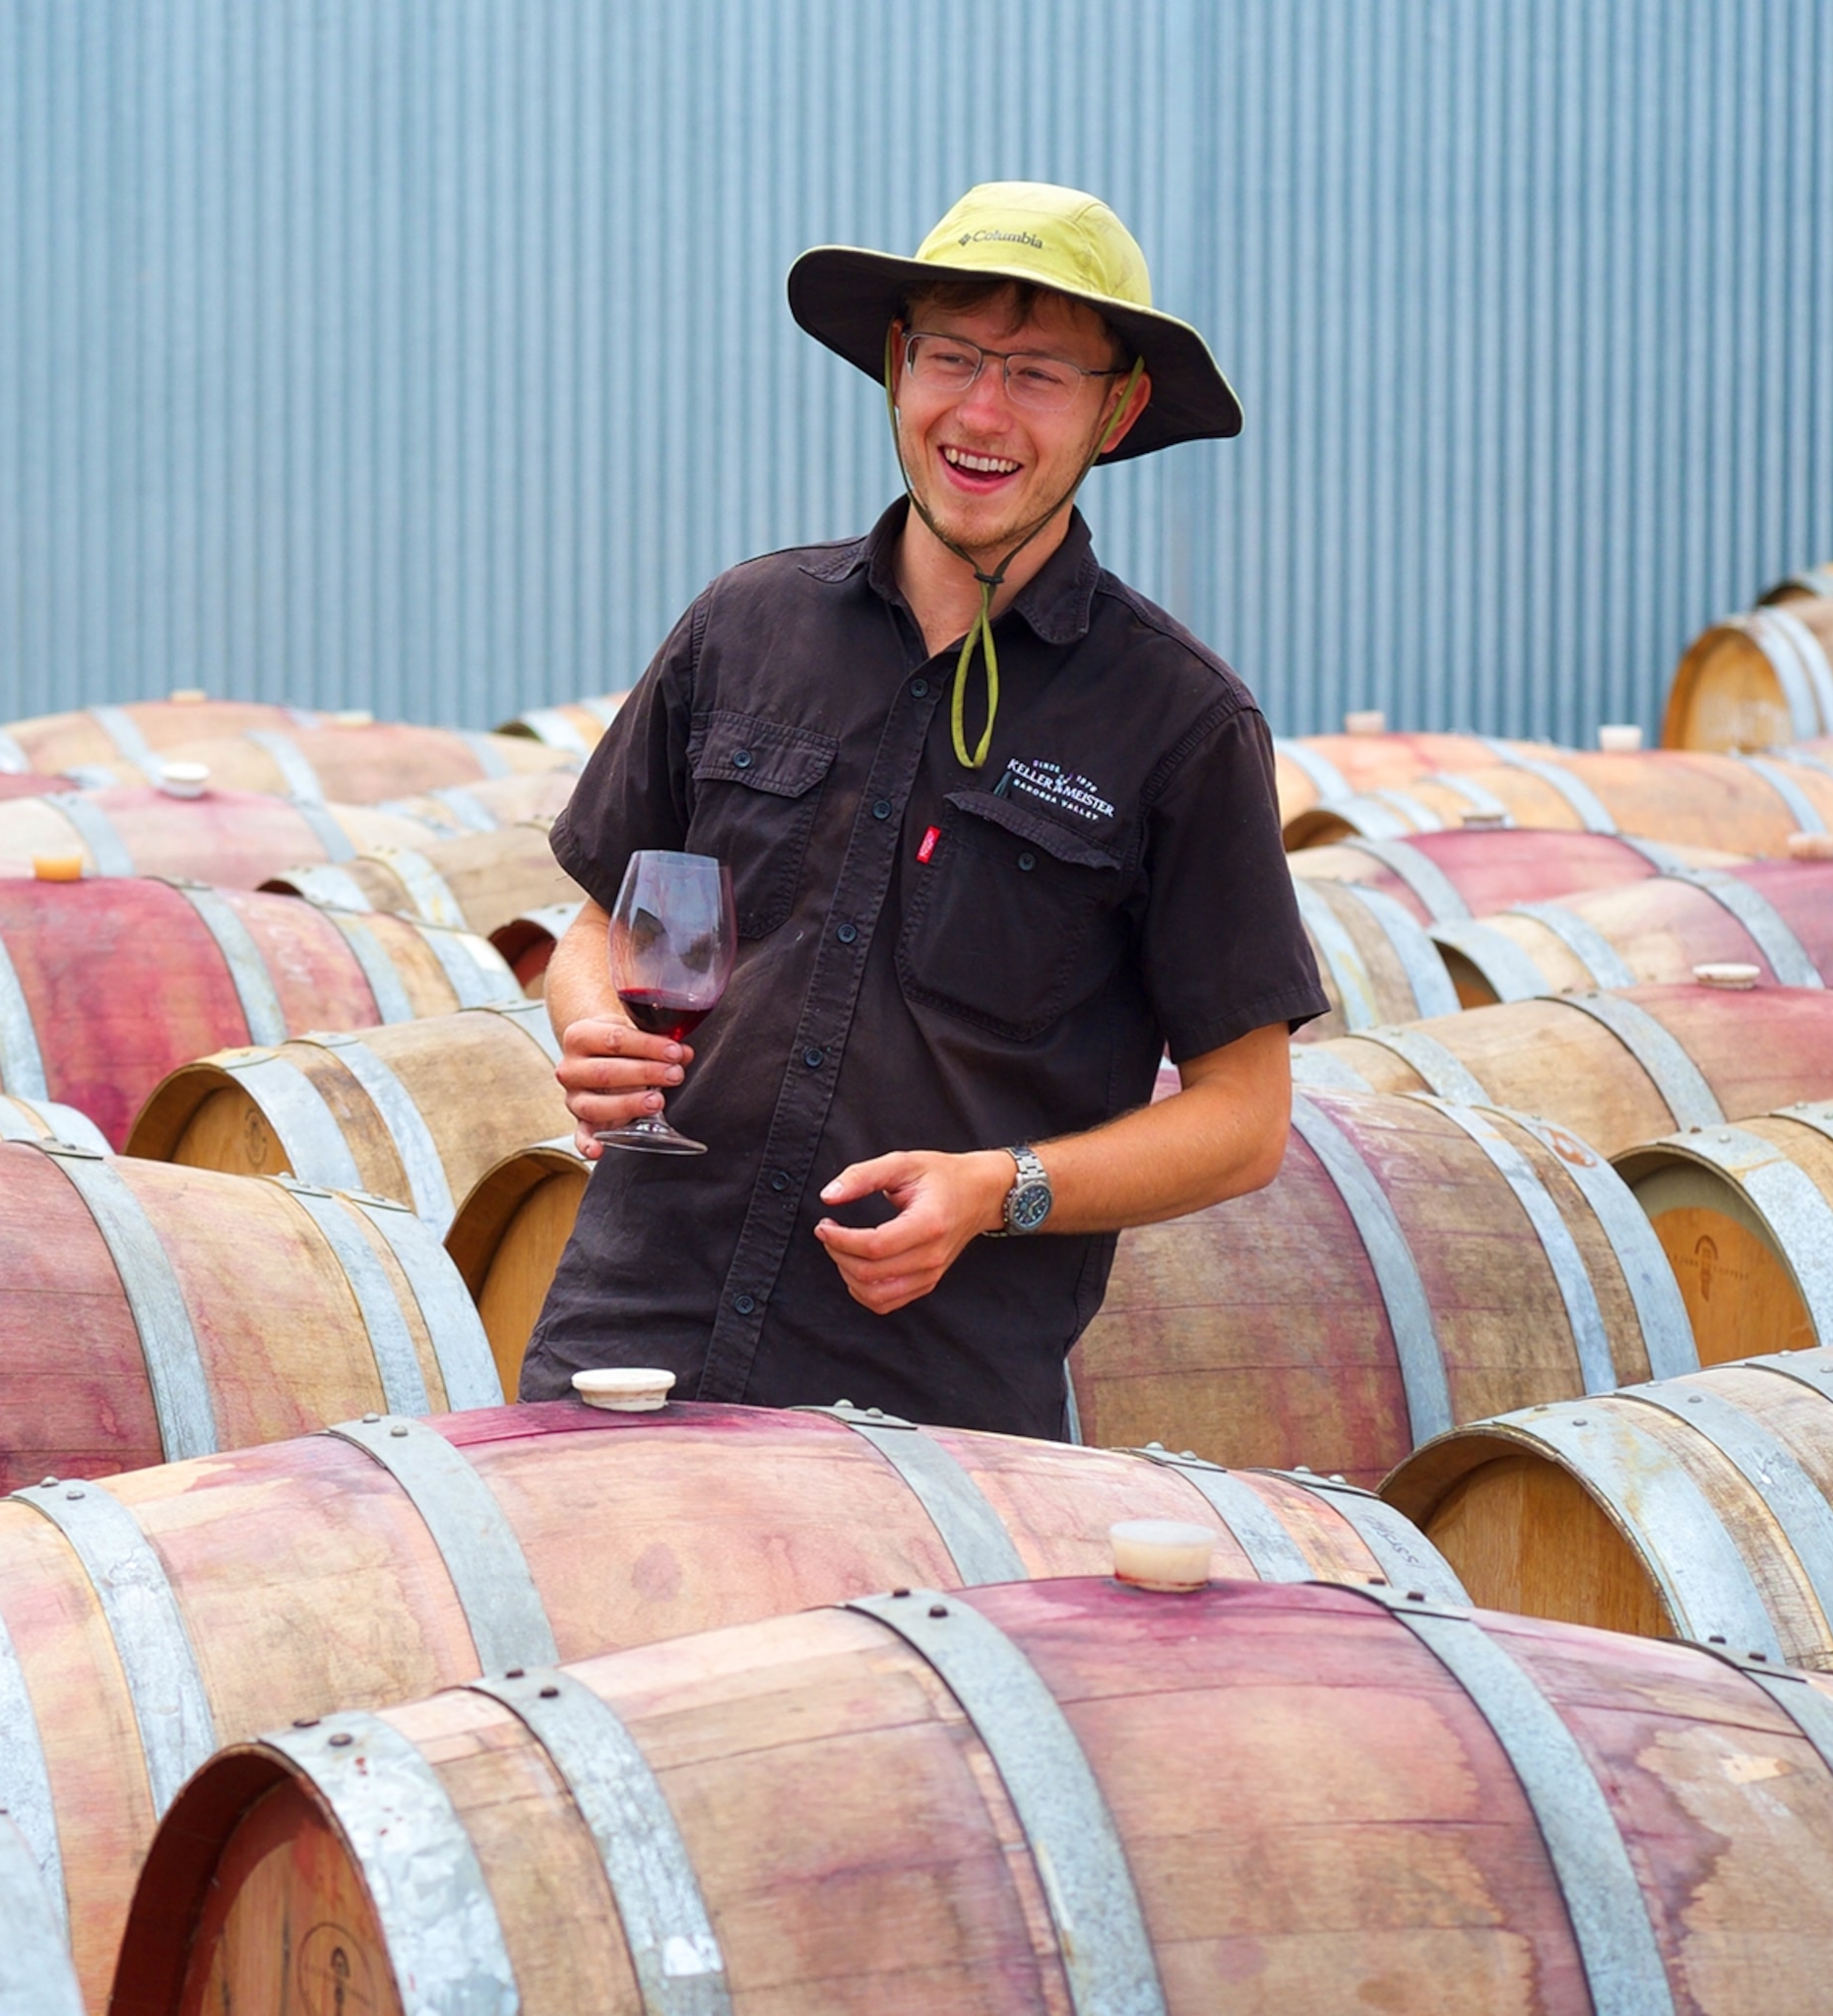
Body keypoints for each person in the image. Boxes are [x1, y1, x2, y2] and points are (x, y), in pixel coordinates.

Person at [525, 181, 1327, 1438]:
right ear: (898, 369)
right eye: (950, 357)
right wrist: (590, 1024)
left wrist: (999, 1188)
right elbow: (597, 923)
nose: (983, 411)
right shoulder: (747, 623)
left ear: (1117, 411)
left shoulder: (1180, 722)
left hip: (925, 1403)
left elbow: (1245, 1118)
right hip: (634, 1337)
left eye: (1040, 375)